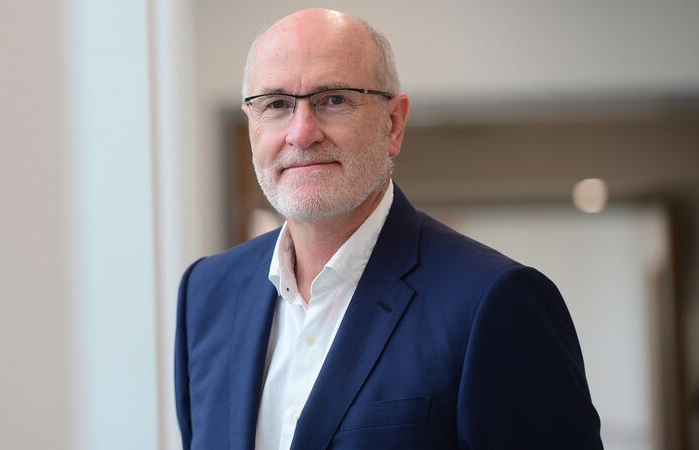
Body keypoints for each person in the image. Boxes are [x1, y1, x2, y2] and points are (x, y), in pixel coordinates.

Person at [175, 8, 602, 450]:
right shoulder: (206, 295)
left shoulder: (494, 301)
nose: (301, 133)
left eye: (333, 99)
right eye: (276, 104)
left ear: (393, 124)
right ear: (251, 125)